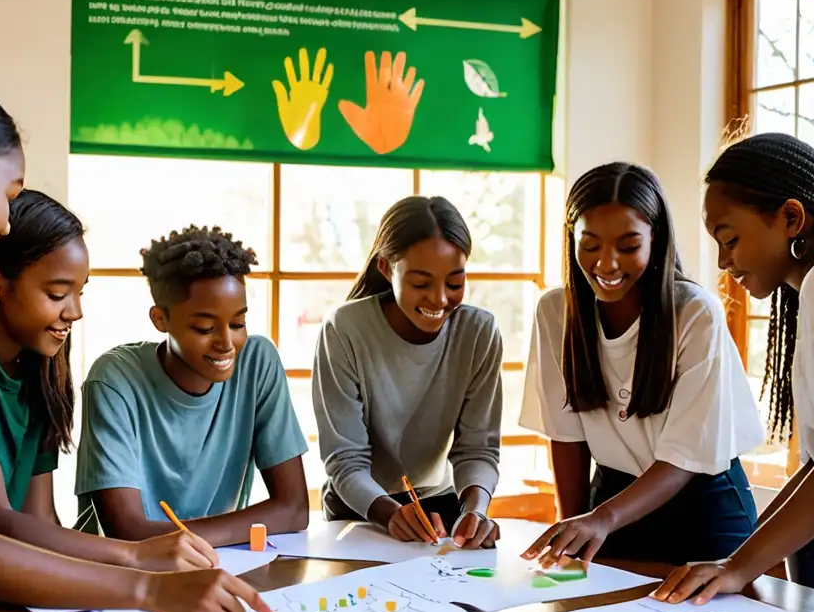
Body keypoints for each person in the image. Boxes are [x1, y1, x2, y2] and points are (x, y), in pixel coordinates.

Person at [0, 72, 274, 612]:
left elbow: (30, 519)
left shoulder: (25, 361)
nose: (4, 224)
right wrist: (140, 578)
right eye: (7, 195)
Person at [0, 189, 222, 612]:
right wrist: (133, 560)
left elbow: (38, 518)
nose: (74, 311)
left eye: (81, 292)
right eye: (58, 294)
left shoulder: (38, 366)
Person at [653, 132, 814, 612]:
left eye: (730, 239)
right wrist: (744, 558)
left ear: (791, 218)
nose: (724, 261)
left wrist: (740, 566)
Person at [520, 162, 763, 568]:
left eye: (628, 246)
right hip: (612, 503)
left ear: (656, 240)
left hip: (704, 506)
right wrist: (576, 525)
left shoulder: (695, 313)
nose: (606, 264)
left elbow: (685, 456)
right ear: (572, 240)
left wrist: (600, 519)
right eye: (590, 244)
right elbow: (566, 436)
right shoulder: (555, 312)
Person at [76, 225, 309, 547]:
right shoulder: (115, 380)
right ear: (160, 320)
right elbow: (126, 531)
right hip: (125, 573)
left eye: (239, 323)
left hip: (222, 561)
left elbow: (295, 509)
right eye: (204, 327)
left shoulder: (257, 362)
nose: (227, 343)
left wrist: (190, 541)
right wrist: (255, 524)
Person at [313, 196, 502, 550]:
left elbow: (478, 448)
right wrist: (390, 513)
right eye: (420, 283)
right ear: (386, 268)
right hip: (361, 509)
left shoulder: (479, 332)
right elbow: (345, 458)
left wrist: (475, 510)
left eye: (455, 282)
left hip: (441, 508)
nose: (440, 299)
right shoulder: (344, 328)